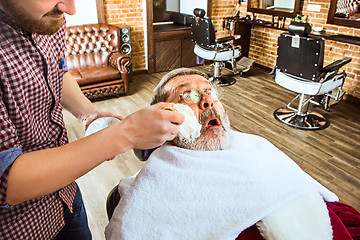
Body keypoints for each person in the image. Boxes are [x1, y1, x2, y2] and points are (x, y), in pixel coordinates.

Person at [105, 68, 360, 240]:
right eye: (188, 95)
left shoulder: (256, 145)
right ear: (163, 115)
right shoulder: (156, 182)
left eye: (209, 92)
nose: (207, 101)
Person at [0, 1, 184, 239]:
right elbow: (9, 182)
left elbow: (58, 73)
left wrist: (90, 114)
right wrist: (123, 134)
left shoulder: (50, 16)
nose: (69, 9)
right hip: (22, 226)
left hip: (66, 195)